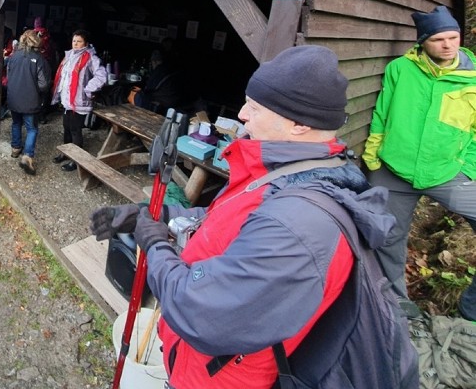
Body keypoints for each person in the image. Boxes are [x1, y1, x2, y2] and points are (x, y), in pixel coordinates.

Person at [90, 45, 400, 388]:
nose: (241, 114)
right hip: (196, 364)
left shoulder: (299, 224)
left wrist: (154, 243)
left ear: (297, 124)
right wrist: (154, 214)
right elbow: (216, 224)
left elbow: (198, 310)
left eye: (254, 107)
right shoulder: (285, 174)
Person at [362, 5, 476, 321]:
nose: (448, 45)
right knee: (387, 239)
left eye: (453, 37)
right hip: (394, 171)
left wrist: (468, 167)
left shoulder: (472, 77)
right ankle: (397, 308)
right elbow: (382, 114)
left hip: (448, 171)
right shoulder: (400, 68)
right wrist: (373, 159)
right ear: (423, 41)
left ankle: (471, 309)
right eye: (439, 39)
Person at [51, 30, 107, 171]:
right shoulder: (69, 55)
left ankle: (76, 160)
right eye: (74, 41)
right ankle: (66, 153)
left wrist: (88, 89)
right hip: (67, 100)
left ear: (85, 43)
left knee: (75, 130)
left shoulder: (90, 57)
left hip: (79, 101)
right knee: (66, 128)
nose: (75, 44)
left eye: (79, 41)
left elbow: (101, 76)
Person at [6, 29, 51, 175]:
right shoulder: (39, 59)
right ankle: (27, 155)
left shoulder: (13, 57)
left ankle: (15, 148)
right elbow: (43, 84)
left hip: (13, 97)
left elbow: (8, 76)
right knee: (31, 128)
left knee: (16, 123)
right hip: (30, 99)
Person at [130, 49, 183, 115]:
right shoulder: (173, 68)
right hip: (176, 99)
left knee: (135, 94)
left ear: (154, 61)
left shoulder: (160, 70)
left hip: (164, 102)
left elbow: (148, 89)